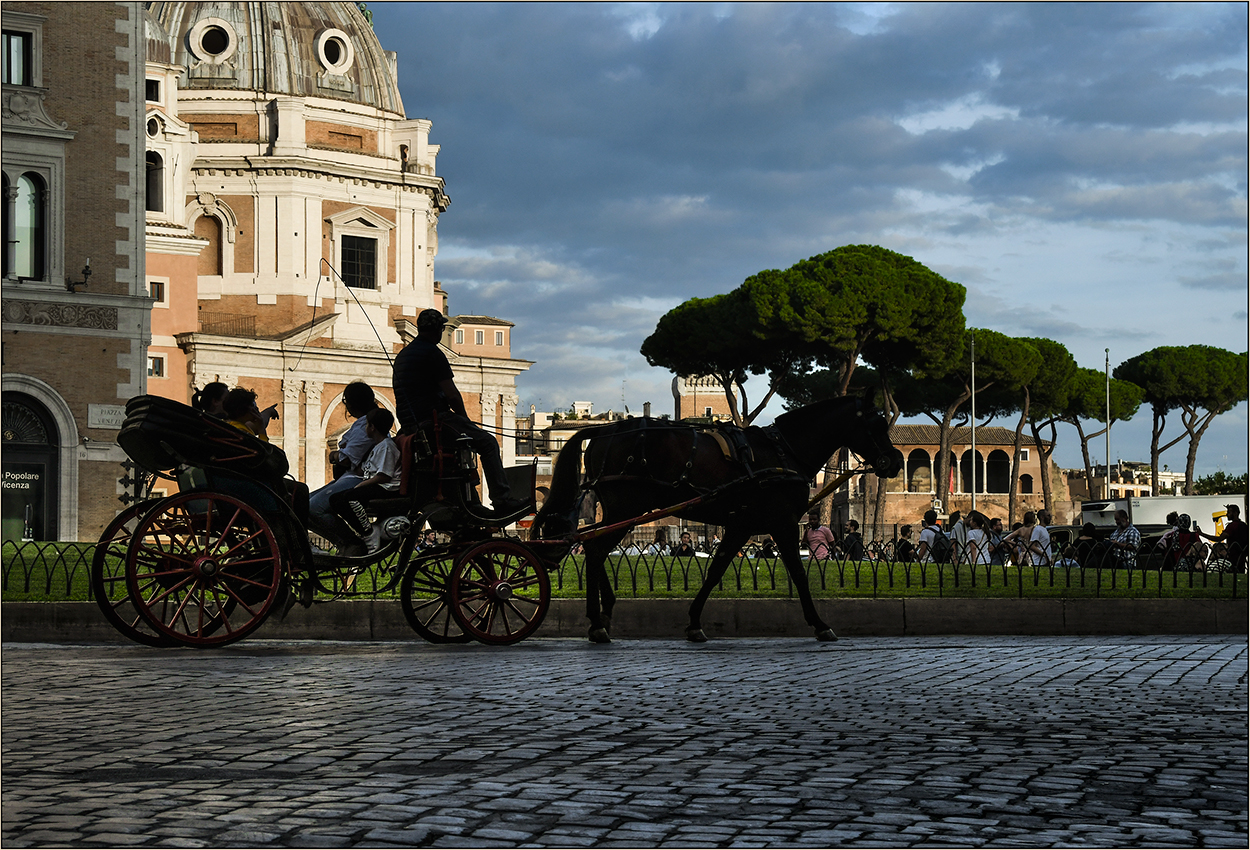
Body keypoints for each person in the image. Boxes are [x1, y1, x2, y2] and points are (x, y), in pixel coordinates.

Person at [393, 308, 525, 515]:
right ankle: (501, 499)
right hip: (434, 421)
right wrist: (465, 420)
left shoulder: (403, 356)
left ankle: (470, 500)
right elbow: (452, 395)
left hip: (411, 424)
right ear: (438, 329)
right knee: (488, 443)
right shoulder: (433, 353)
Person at [308, 383, 383, 552]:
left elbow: (347, 458)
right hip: (350, 476)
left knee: (312, 507)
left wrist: (336, 455)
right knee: (302, 505)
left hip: (358, 478)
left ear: (349, 404)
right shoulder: (365, 423)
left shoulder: (368, 424)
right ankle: (345, 543)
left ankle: (351, 543)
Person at [328, 408, 401, 554]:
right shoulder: (378, 446)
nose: (366, 428)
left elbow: (384, 476)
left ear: (372, 427)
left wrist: (361, 484)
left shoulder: (387, 446)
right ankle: (365, 531)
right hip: (377, 485)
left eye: (367, 425)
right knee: (335, 499)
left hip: (386, 488)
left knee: (350, 499)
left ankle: (368, 532)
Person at [329, 381, 379, 480]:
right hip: (355, 477)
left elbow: (346, 459)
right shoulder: (367, 423)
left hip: (356, 478)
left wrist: (334, 455)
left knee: (314, 496)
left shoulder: (364, 427)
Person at [1197, 504, 1248, 573]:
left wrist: (1202, 534)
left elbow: (1219, 539)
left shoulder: (1232, 526)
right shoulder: (1243, 525)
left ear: (1235, 513)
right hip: (1242, 557)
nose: (1227, 514)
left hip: (1233, 558)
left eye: (1229, 512)